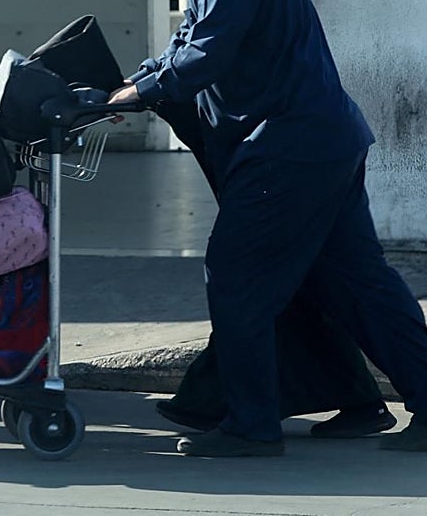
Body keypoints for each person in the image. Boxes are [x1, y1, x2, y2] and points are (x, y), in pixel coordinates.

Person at [110, 0, 427, 457]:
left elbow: (210, 49)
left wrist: (145, 90)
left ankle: (251, 426)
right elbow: (189, 43)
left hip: (288, 151)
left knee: (236, 274)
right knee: (358, 284)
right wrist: (134, 84)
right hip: (323, 143)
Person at [152, 100, 396, 440]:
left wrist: (148, 85)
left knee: (248, 286)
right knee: (302, 288)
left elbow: (203, 56)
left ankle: (242, 419)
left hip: (285, 152)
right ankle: (374, 401)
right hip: (294, 148)